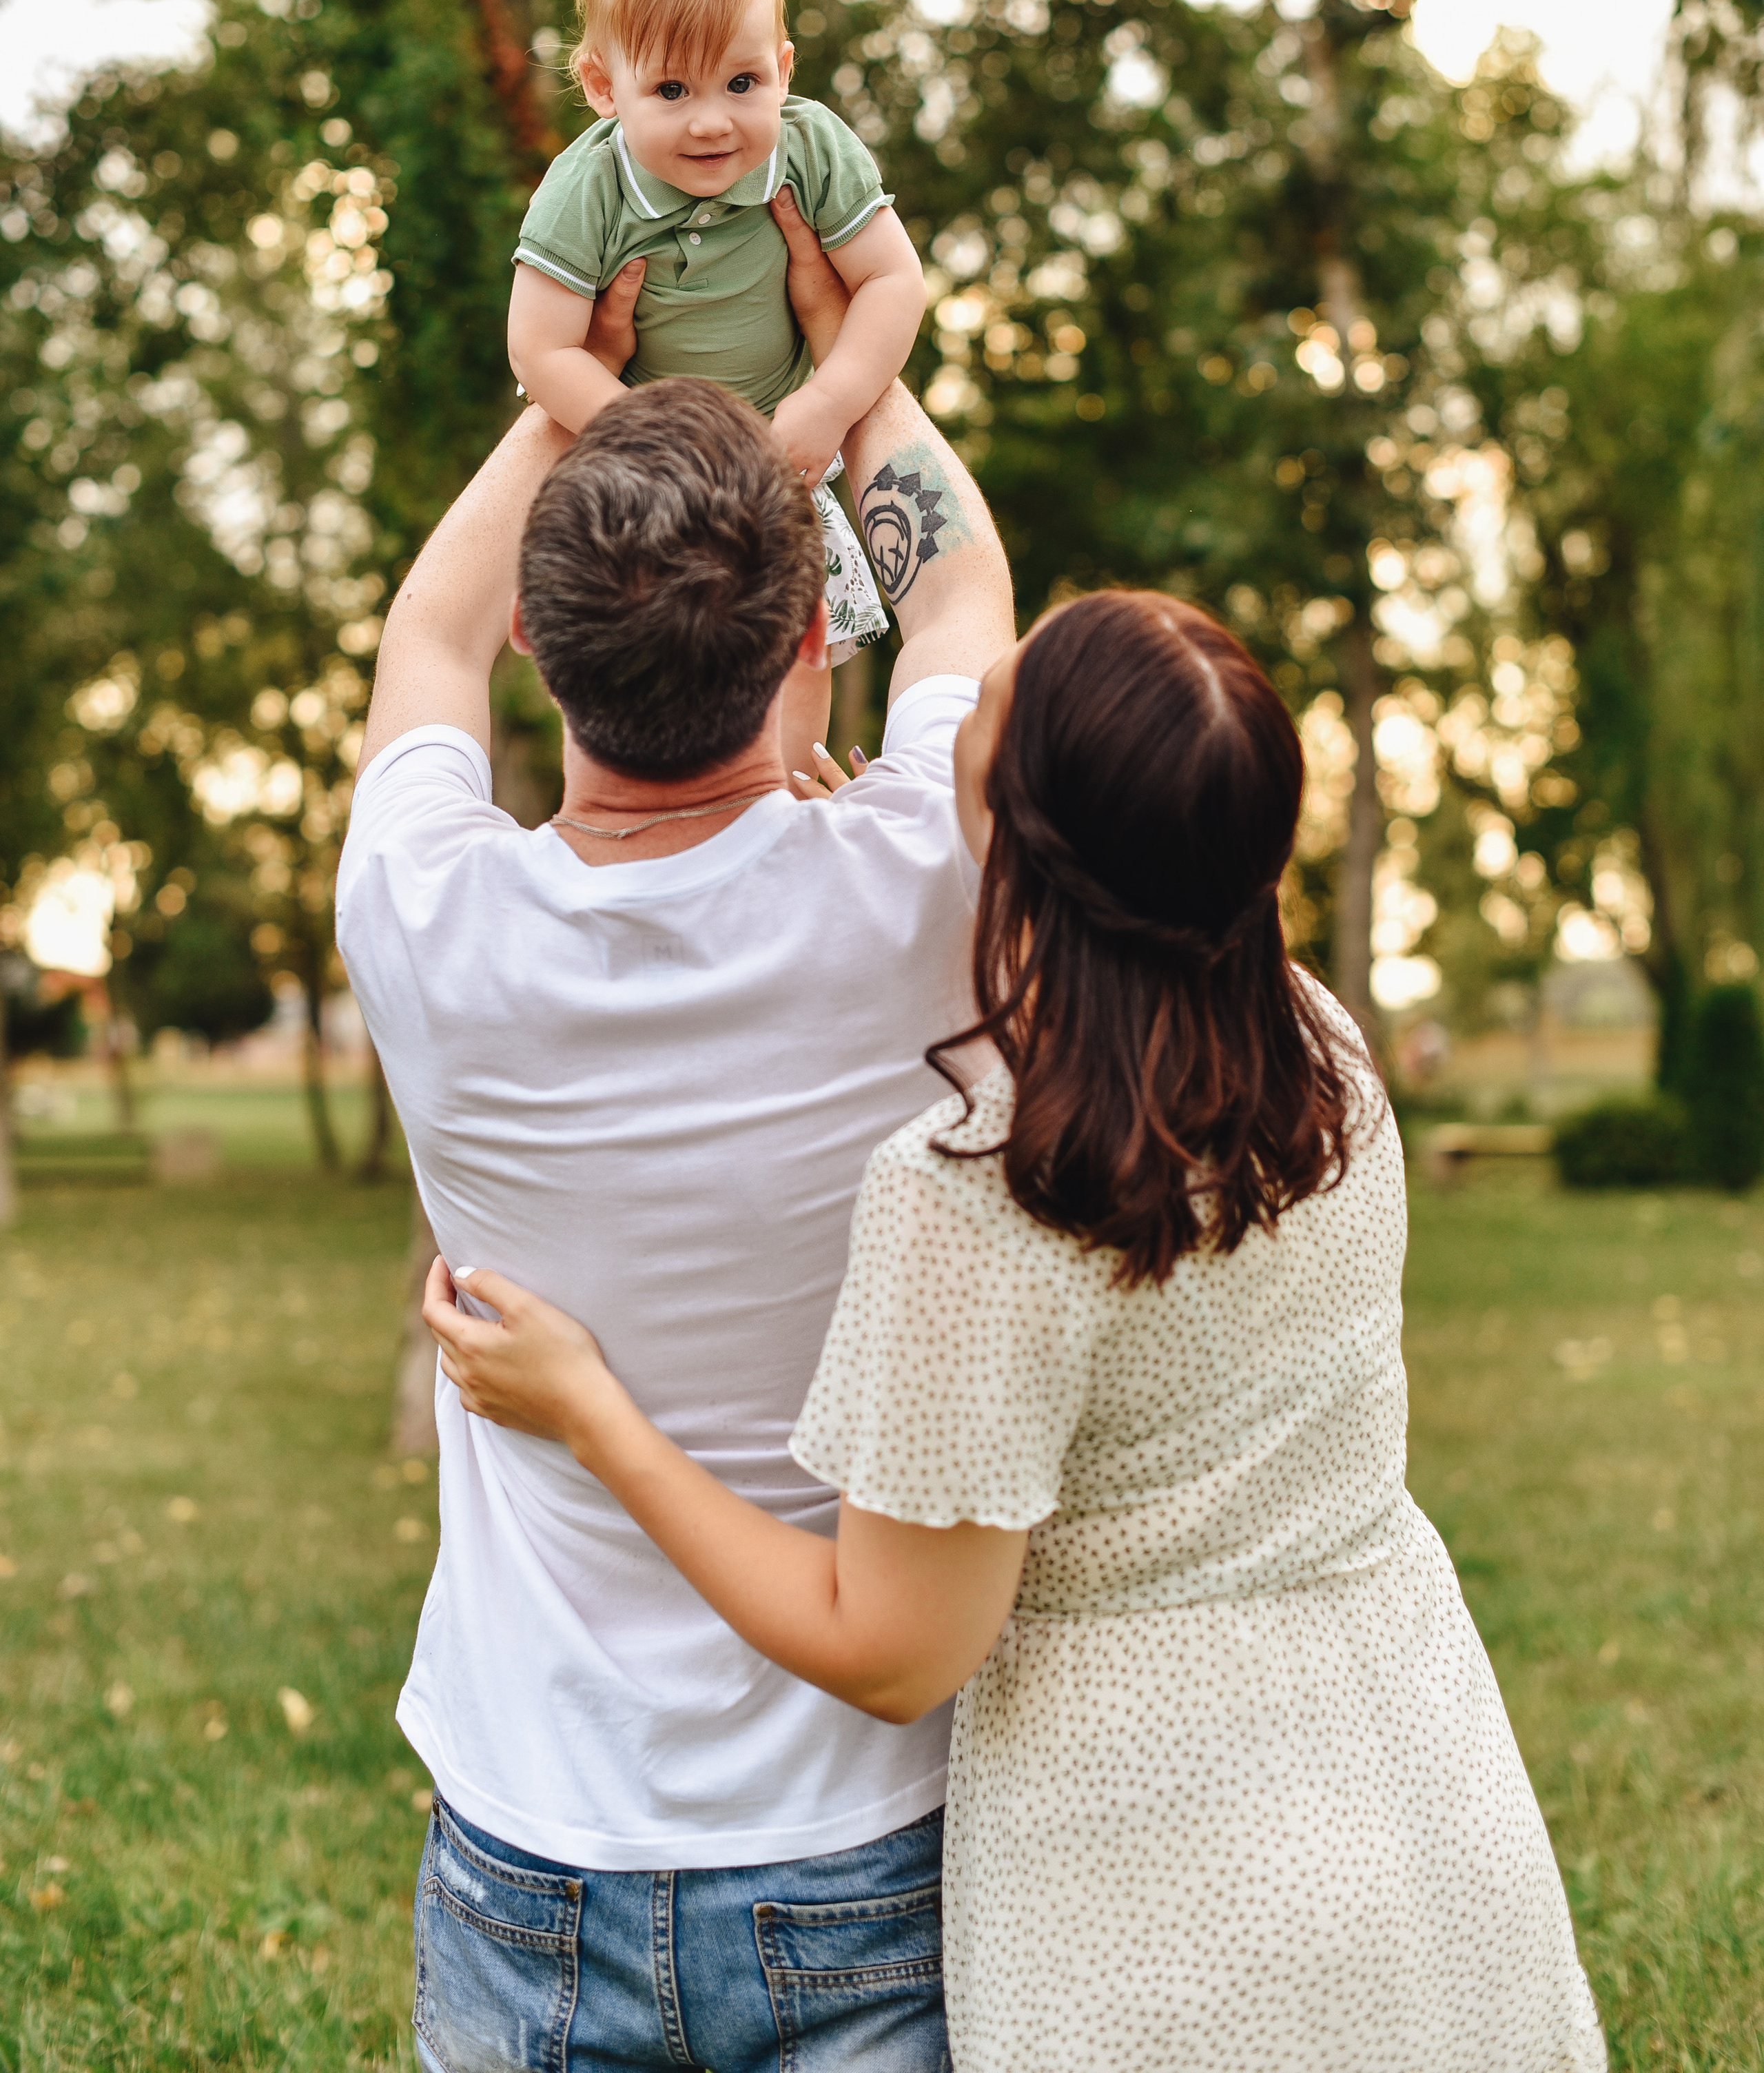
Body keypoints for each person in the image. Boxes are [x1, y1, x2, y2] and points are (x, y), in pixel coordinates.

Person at [424, 591, 1609, 2073]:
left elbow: (890, 1649)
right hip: (1414, 1796)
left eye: (984, 706)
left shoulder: (987, 1203)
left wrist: (589, 1415)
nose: (965, 687)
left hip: (1160, 1891)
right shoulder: (1318, 1051)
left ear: (1011, 839)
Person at [335, 210, 1013, 2072]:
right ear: (810, 639)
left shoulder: (424, 921)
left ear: (553, 658)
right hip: (865, 1842)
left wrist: (568, 384)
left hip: (532, 1848)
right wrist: (848, 350)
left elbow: (424, 632)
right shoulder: (922, 883)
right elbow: (960, 598)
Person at [507, 0, 929, 766]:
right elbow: (540, 348)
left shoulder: (810, 148)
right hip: (639, 465)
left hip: (784, 444)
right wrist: (640, 430)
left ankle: (776, 803)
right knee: (629, 659)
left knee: (799, 640)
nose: (711, 123)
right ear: (602, 87)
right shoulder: (586, 190)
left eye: (741, 82)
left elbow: (893, 281)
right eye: (670, 91)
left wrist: (833, 400)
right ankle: (638, 801)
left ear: (782, 67)